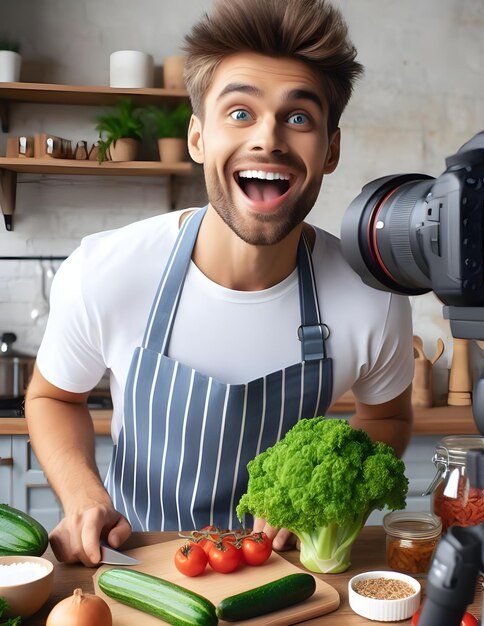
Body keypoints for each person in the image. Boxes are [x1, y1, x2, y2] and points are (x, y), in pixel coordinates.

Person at [24, 0, 414, 566]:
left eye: (299, 117)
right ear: (198, 138)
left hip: (290, 578)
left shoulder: (371, 295)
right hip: (139, 570)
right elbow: (53, 396)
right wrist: (82, 493)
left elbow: (387, 417)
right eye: (240, 113)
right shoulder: (107, 270)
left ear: (330, 149)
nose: (269, 139)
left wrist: (323, 502)